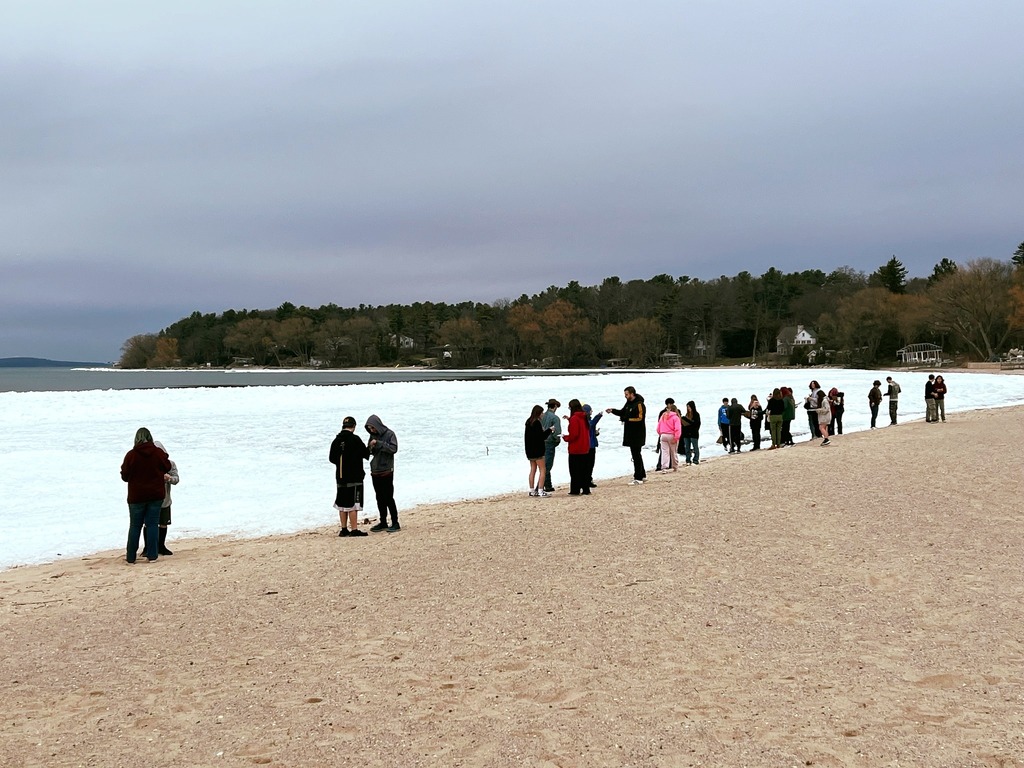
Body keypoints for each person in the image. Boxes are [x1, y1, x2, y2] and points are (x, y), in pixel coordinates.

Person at [120, 427, 172, 563]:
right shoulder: (157, 453)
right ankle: (152, 556)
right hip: (155, 495)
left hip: (136, 496)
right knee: (152, 524)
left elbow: (124, 476)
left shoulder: (131, 455)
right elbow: (167, 466)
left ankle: (131, 557)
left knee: (135, 526)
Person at [330, 416, 371, 536]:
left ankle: (343, 529)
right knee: (353, 504)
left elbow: (331, 458)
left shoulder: (336, 440)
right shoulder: (355, 439)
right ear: (354, 427)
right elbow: (365, 453)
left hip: (340, 476)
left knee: (342, 503)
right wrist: (371, 445)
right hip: (354, 476)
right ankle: (354, 529)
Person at [365, 415, 400, 532]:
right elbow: (369, 452)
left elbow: (393, 449)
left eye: (373, 428)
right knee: (379, 498)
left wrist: (379, 443)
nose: (372, 430)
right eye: (370, 429)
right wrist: (370, 447)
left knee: (388, 497)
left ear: (378, 425)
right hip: (375, 471)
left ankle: (395, 522)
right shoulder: (372, 436)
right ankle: (383, 522)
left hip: (387, 471)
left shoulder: (390, 434)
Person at [606, 386, 647, 485]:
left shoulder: (640, 404)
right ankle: (642, 474)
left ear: (632, 394)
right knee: (636, 454)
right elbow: (622, 412)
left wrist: (627, 419)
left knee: (636, 455)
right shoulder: (629, 403)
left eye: (627, 394)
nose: (625, 396)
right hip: (630, 433)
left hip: (638, 433)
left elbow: (640, 418)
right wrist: (613, 411)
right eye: (625, 394)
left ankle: (638, 478)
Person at [151, 441, 179, 555]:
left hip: (165, 500)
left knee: (163, 523)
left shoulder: (170, 464)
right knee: (148, 523)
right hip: (151, 500)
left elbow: (176, 479)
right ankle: (148, 548)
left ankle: (161, 546)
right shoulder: (149, 465)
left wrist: (169, 479)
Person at [562, 399, 592, 495]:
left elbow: (574, 435)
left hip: (576, 449)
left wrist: (565, 437)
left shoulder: (575, 418)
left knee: (575, 471)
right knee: (584, 470)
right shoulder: (584, 416)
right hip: (585, 447)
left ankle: (575, 490)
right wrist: (569, 419)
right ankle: (586, 489)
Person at [524, 405, 553, 497]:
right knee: (543, 470)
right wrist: (550, 430)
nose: (543, 414)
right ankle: (540, 490)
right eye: (542, 413)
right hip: (538, 450)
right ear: (538, 413)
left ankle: (532, 490)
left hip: (529, 450)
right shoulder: (537, 423)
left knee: (533, 469)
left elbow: (529, 437)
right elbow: (541, 437)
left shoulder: (528, 422)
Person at [540, 399, 562, 493]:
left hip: (541, 442)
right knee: (547, 466)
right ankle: (542, 485)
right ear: (555, 406)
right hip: (549, 443)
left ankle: (548, 485)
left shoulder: (542, 416)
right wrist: (557, 441)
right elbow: (557, 432)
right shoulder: (555, 418)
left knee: (543, 465)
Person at [656, 403, 681, 472]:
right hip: (671, 435)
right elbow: (678, 429)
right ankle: (675, 466)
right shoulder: (676, 417)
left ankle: (664, 467)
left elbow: (658, 427)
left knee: (665, 452)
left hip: (663, 435)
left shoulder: (663, 416)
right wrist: (676, 437)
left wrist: (660, 433)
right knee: (673, 452)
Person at [582, 404, 603, 488]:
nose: (592, 411)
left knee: (589, 464)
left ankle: (588, 479)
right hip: (590, 446)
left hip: (587, 445)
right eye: (590, 410)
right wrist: (599, 416)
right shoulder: (588, 422)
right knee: (589, 464)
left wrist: (596, 433)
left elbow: (590, 431)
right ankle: (587, 480)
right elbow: (592, 424)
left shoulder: (584, 421)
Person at [654, 398, 676, 471]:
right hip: (665, 433)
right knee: (664, 451)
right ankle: (661, 466)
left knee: (668, 451)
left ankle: (667, 465)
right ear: (668, 404)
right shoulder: (663, 412)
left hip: (666, 433)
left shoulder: (673, 411)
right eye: (672, 404)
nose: (673, 405)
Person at [680, 401, 701, 465]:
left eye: (689, 407)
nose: (688, 408)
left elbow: (697, 424)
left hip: (693, 434)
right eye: (687, 407)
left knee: (695, 447)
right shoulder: (686, 415)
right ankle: (688, 460)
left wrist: (690, 424)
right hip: (686, 434)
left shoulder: (696, 415)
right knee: (687, 447)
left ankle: (695, 459)